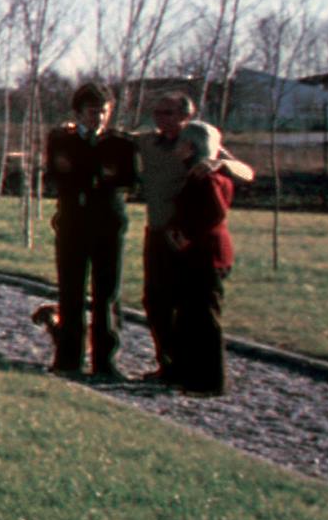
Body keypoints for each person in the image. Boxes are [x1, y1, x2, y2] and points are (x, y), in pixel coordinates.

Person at [135, 90, 251, 392]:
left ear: (185, 118)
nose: (161, 119)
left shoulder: (203, 149)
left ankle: (205, 379)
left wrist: (218, 164)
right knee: (158, 302)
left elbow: (244, 173)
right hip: (161, 234)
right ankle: (171, 366)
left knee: (198, 310)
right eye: (157, 113)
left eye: (168, 113)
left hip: (192, 243)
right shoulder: (150, 142)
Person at [38, 82, 140, 377]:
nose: (98, 118)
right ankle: (68, 359)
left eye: (104, 112)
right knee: (71, 291)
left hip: (108, 224)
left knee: (106, 293)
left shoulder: (120, 143)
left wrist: (96, 177)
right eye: (93, 112)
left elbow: (129, 180)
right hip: (73, 222)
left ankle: (105, 361)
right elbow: (57, 174)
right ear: (79, 113)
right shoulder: (62, 140)